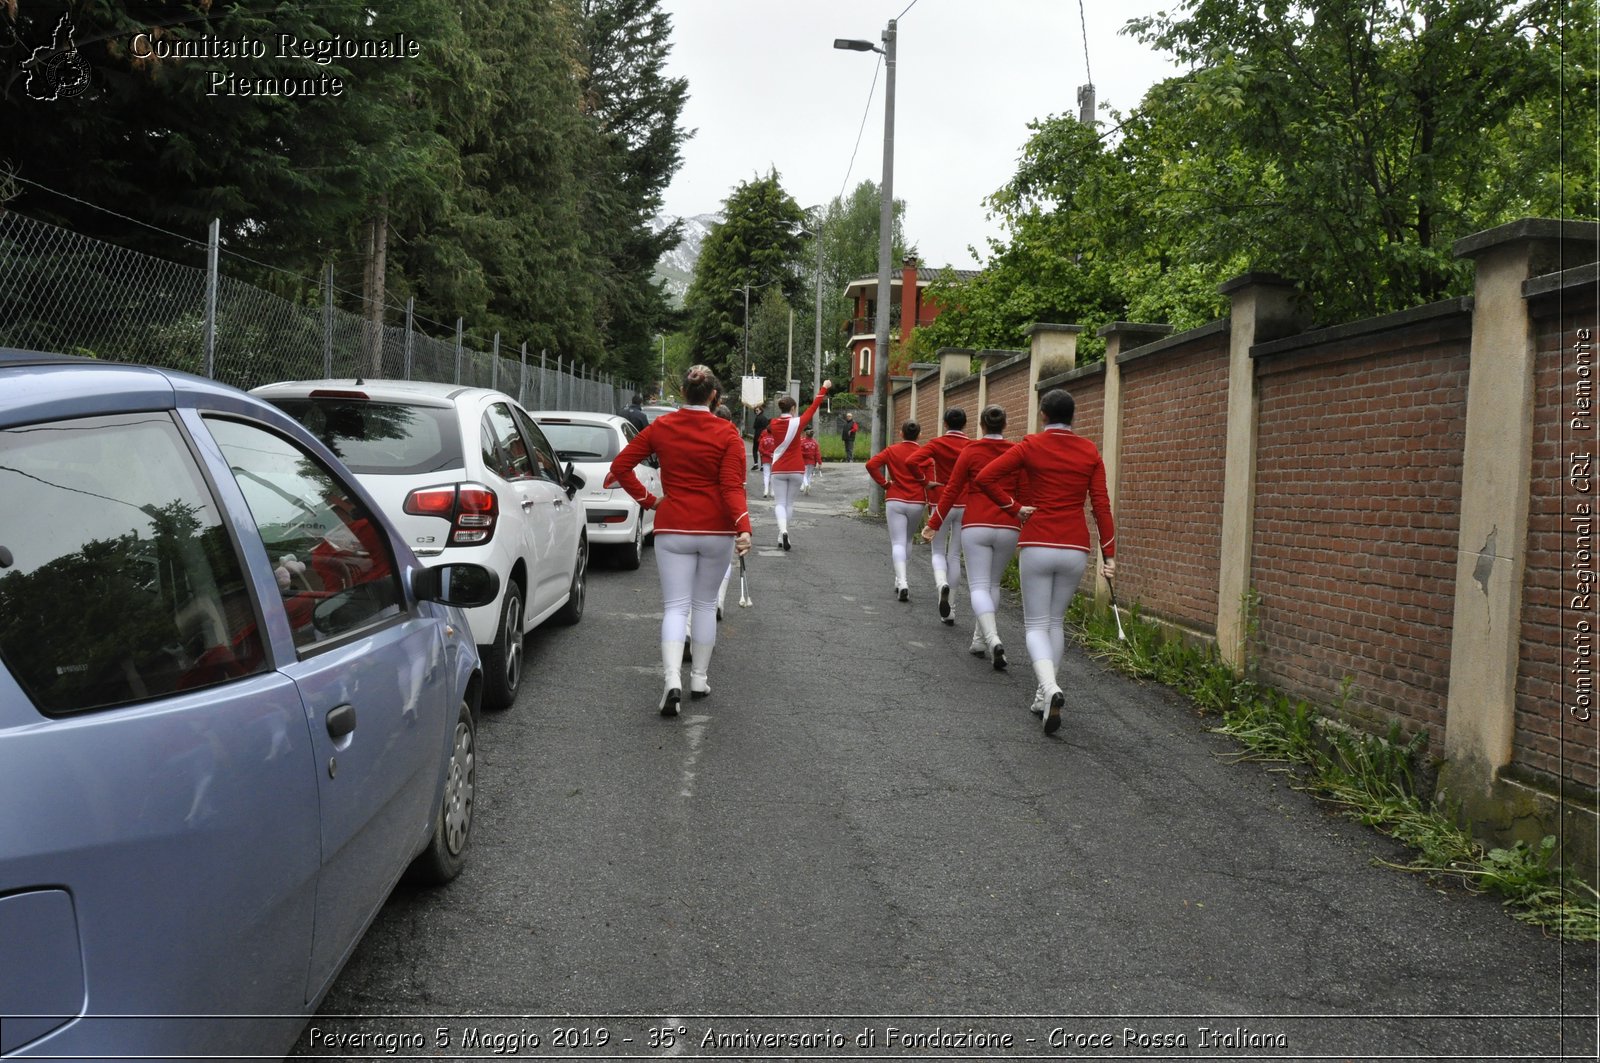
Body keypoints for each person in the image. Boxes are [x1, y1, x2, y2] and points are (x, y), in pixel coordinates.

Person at [609, 365, 753, 717]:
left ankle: (671, 678)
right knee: (704, 605)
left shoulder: (662, 427)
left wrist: (649, 500)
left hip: (673, 526)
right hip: (717, 529)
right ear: (714, 396)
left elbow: (621, 466)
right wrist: (743, 526)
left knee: (676, 607)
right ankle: (699, 679)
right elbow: (732, 486)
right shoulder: (728, 434)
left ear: (683, 395)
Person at [973, 389, 1115, 736]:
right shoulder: (1089, 451)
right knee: (1055, 621)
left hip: (1037, 540)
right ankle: (1042, 695)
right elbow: (1101, 505)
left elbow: (984, 478)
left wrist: (1013, 508)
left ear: (1042, 415)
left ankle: (1049, 688)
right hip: (1075, 546)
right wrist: (1109, 554)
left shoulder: (1030, 445)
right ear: (1074, 416)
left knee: (1035, 624)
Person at [921, 404, 1020, 669]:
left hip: (977, 522)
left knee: (978, 586)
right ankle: (979, 640)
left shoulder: (971, 451)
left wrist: (934, 522)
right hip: (1009, 523)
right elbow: (1024, 489)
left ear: (981, 426)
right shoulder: (1016, 451)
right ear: (1005, 425)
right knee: (993, 585)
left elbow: (952, 490)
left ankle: (993, 638)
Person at [911, 407, 971, 625]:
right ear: (965, 424)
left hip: (941, 502)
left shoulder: (937, 443)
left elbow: (911, 462)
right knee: (954, 555)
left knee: (938, 551)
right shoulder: (971, 445)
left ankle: (941, 584)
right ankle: (951, 609)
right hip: (965, 503)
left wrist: (924, 482)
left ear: (945, 423)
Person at [865, 420, 928, 601]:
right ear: (920, 434)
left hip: (895, 498)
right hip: (917, 500)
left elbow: (871, 465)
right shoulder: (924, 453)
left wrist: (885, 484)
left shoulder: (892, 450)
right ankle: (901, 578)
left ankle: (902, 581)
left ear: (901, 433)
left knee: (897, 542)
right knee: (908, 540)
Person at [765, 382, 832, 549]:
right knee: (789, 504)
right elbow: (814, 406)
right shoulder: (799, 422)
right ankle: (783, 534)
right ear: (793, 408)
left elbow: (770, 429)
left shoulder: (773, 423)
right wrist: (824, 387)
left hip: (779, 468)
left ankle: (783, 531)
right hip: (797, 468)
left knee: (779, 503)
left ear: (781, 409)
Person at [800, 426, 821, 494]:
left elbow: (800, 452)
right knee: (809, 475)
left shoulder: (802, 442)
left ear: (806, 434)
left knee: (804, 474)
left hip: (804, 461)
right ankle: (808, 486)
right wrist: (819, 462)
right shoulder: (815, 443)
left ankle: (805, 485)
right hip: (812, 461)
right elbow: (817, 453)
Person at [758, 426, 777, 499]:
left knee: (766, 475)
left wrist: (766, 453)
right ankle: (772, 491)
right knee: (773, 475)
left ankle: (765, 490)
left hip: (765, 458)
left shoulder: (763, 439)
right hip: (773, 458)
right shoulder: (775, 440)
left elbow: (760, 449)